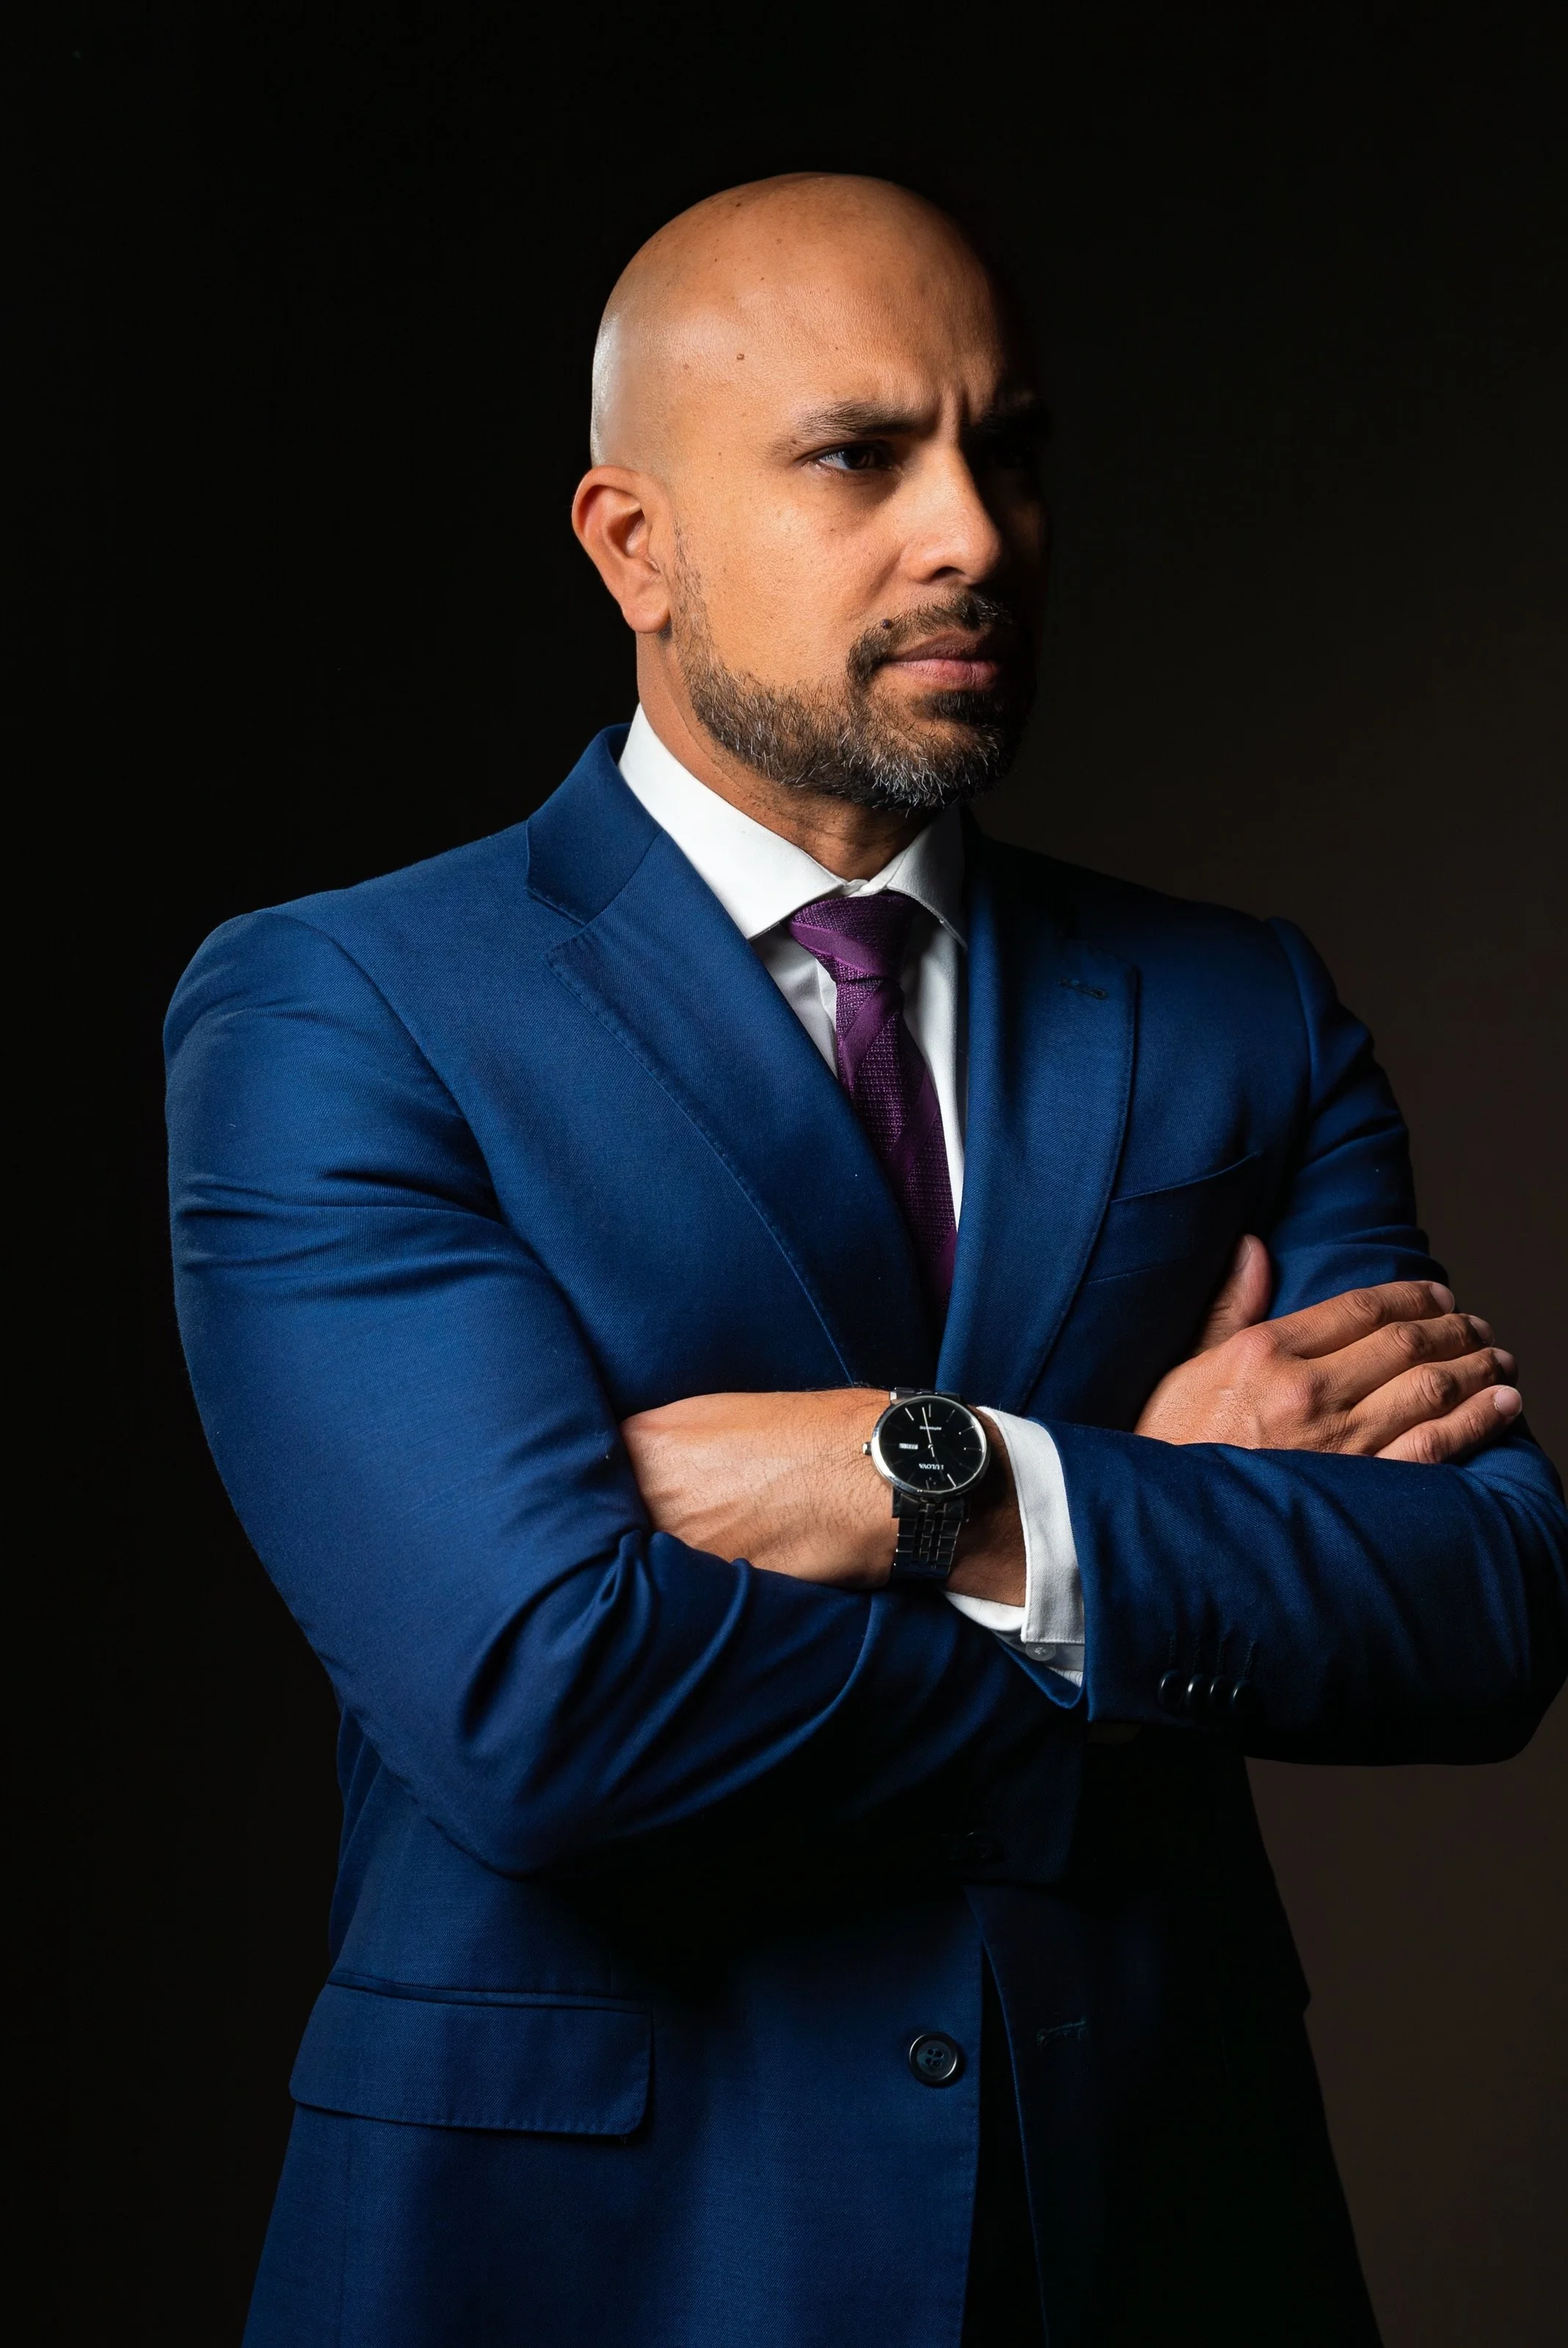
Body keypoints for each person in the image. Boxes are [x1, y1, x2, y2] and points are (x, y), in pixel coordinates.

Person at [165, 174, 1567, 2348]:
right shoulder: (347, 1009)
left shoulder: (1240, 1011)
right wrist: (1148, 1543)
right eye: (859, 457)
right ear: (634, 545)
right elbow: (539, 1705)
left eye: (1009, 450)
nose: (975, 535)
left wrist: (938, 1485)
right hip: (579, 2260)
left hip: (1156, 2226)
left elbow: (1478, 1609)